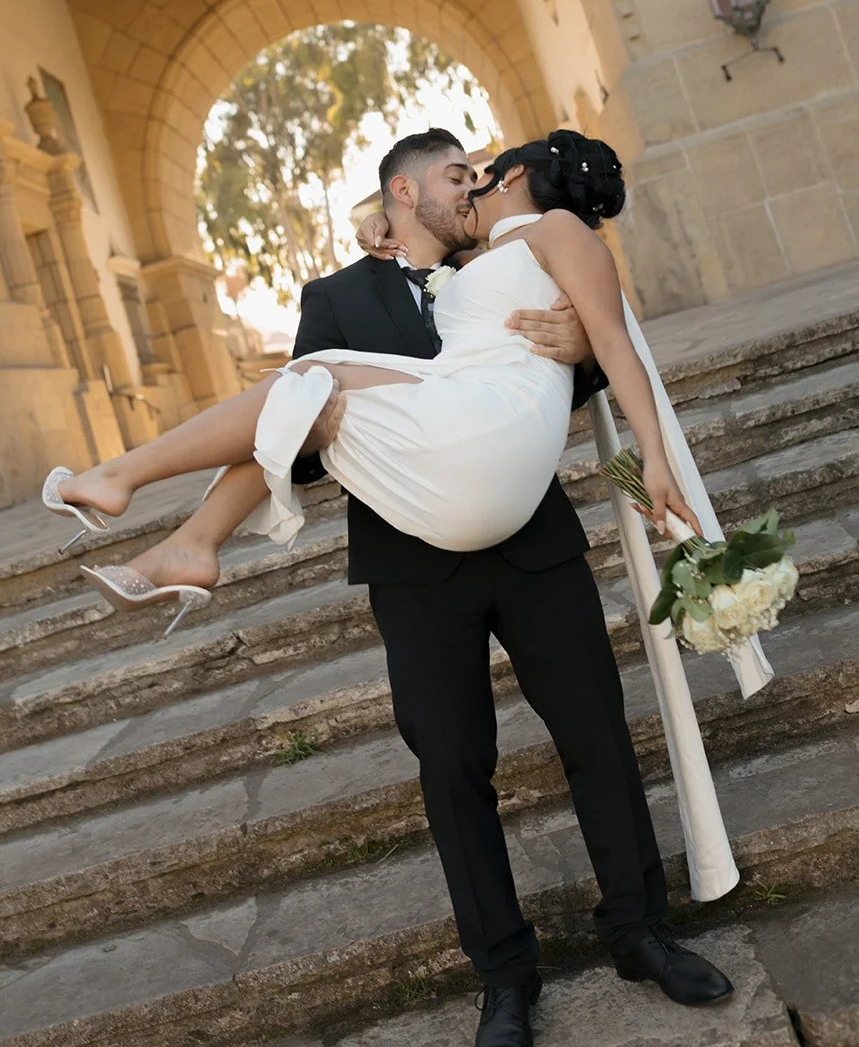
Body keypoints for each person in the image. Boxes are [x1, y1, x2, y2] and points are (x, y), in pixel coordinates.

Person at [43, 128, 734, 1046]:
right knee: (451, 770)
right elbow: (297, 444)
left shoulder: (509, 255)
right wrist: (342, 413)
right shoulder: (336, 296)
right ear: (401, 193)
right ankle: (504, 979)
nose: (470, 186)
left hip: (530, 541)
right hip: (413, 567)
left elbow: (554, 376)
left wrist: (578, 349)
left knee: (598, 736)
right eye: (453, 176)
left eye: (475, 175)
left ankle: (639, 932)